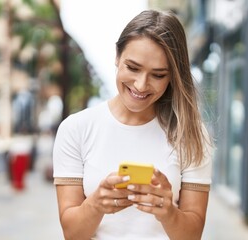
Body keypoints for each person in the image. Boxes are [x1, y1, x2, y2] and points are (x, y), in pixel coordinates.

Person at [53, 9, 213, 240]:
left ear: (172, 77)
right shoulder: (75, 129)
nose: (141, 85)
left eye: (158, 75)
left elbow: (192, 235)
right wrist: (96, 205)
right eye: (133, 68)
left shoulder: (191, 134)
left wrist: (168, 212)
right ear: (117, 56)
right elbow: (72, 234)